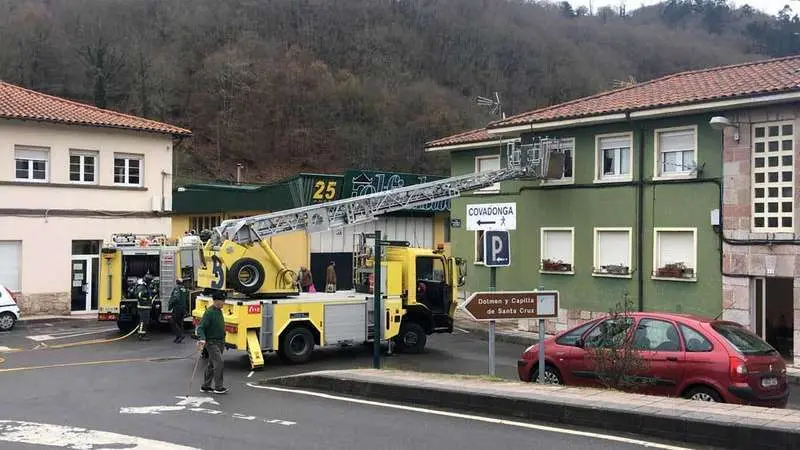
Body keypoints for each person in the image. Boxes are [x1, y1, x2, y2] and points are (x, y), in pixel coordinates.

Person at [196, 293, 228, 394]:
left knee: (211, 364)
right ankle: (218, 387)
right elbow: (201, 327)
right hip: (212, 342)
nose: (224, 303)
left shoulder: (219, 311)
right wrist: (202, 339)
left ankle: (206, 386)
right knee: (219, 362)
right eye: (222, 301)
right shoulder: (209, 312)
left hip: (220, 342)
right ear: (216, 301)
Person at [168, 278, 190, 343]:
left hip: (177, 308)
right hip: (183, 308)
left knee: (173, 322)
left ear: (177, 282)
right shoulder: (185, 289)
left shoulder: (177, 289)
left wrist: (170, 304)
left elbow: (176, 298)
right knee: (180, 322)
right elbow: (187, 299)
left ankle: (180, 335)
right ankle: (178, 337)